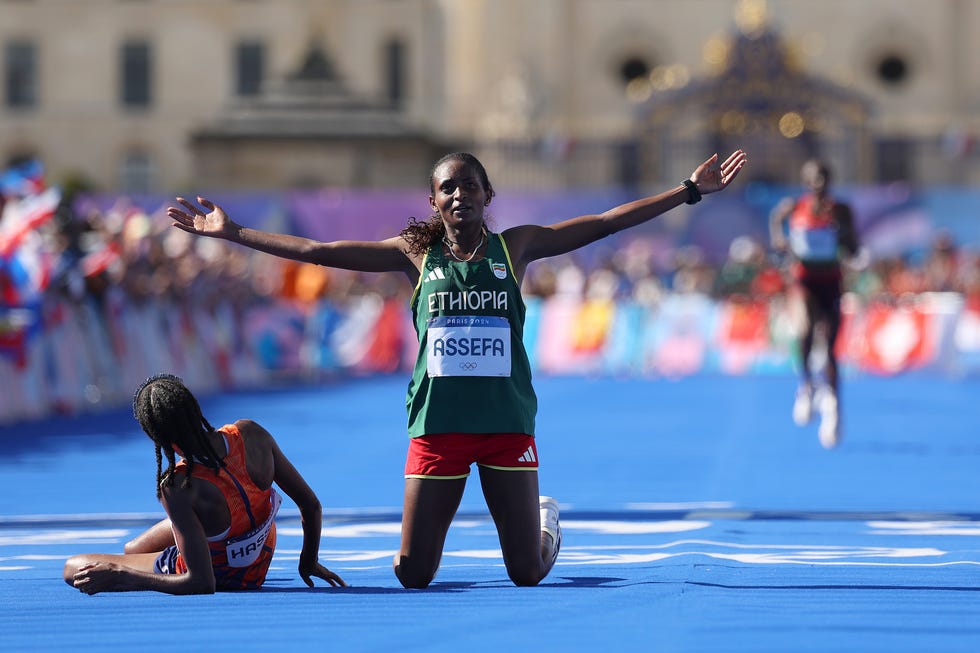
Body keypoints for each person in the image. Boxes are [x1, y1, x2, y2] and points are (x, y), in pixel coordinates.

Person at [168, 149, 747, 588]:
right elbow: (322, 252)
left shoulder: (516, 247)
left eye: (469, 185)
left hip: (505, 427)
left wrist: (688, 191)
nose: (460, 196)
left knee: (526, 572)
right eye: (448, 189)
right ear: (435, 201)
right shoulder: (415, 255)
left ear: (486, 194)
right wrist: (233, 233)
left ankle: (545, 523)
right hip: (438, 430)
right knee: (412, 575)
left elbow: (605, 221)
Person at [64, 373, 347, 594]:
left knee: (73, 567)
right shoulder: (251, 433)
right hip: (260, 561)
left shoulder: (178, 486)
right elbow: (310, 505)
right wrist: (308, 561)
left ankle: (155, 561)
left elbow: (201, 582)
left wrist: (120, 575)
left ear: (158, 437)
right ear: (194, 409)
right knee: (132, 549)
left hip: (225, 575)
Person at [769, 159, 859, 449]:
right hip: (803, 281)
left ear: (830, 181)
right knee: (806, 329)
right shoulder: (794, 207)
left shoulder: (841, 210)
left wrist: (842, 235)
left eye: (823, 178)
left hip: (831, 282)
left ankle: (834, 407)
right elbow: (775, 221)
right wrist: (781, 240)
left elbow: (854, 248)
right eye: (813, 179)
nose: (818, 183)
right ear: (806, 182)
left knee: (830, 345)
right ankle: (806, 384)